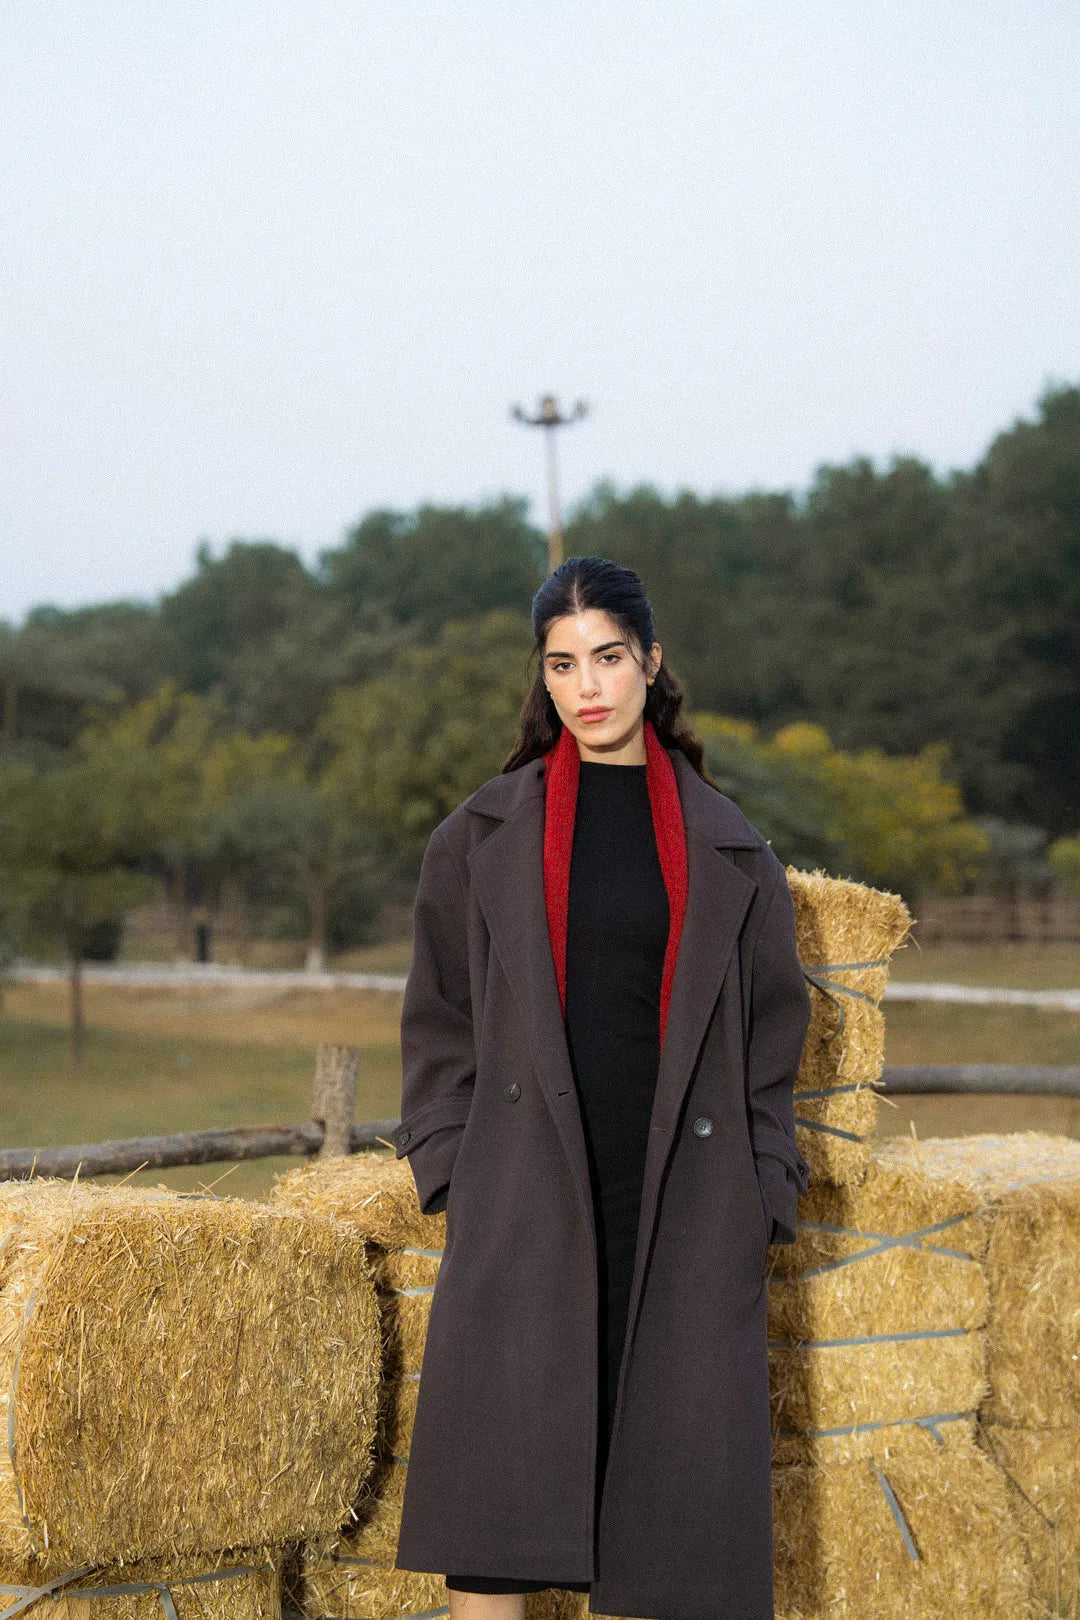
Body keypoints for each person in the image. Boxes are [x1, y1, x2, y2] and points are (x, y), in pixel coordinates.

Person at [391, 556, 812, 1620]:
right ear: (544, 679)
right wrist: (453, 1173)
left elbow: (772, 1040)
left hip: (682, 1206)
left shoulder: (734, 850)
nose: (589, 686)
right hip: (526, 1201)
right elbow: (437, 1022)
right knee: (493, 1540)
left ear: (651, 664)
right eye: (564, 663)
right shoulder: (478, 837)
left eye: (609, 658)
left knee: (661, 1548)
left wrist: (763, 1188)